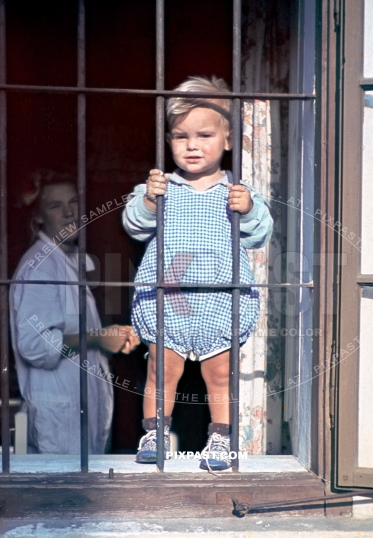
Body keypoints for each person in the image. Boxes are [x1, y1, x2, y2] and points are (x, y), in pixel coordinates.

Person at [122, 76, 273, 470]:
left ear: (227, 140)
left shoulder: (236, 191)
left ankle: (221, 440)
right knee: (160, 368)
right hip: (169, 297)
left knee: (220, 374)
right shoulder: (160, 187)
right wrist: (150, 204)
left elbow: (261, 235)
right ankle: (155, 432)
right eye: (180, 136)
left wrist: (250, 210)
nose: (191, 145)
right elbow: (134, 226)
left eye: (204, 135)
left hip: (220, 298)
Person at [10, 170, 140, 454]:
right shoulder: (40, 267)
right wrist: (95, 339)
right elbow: (33, 345)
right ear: (40, 217)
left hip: (75, 415)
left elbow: (76, 332)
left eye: (74, 203)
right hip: (59, 420)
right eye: (56, 206)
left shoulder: (65, 261)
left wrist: (109, 337)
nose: (69, 213)